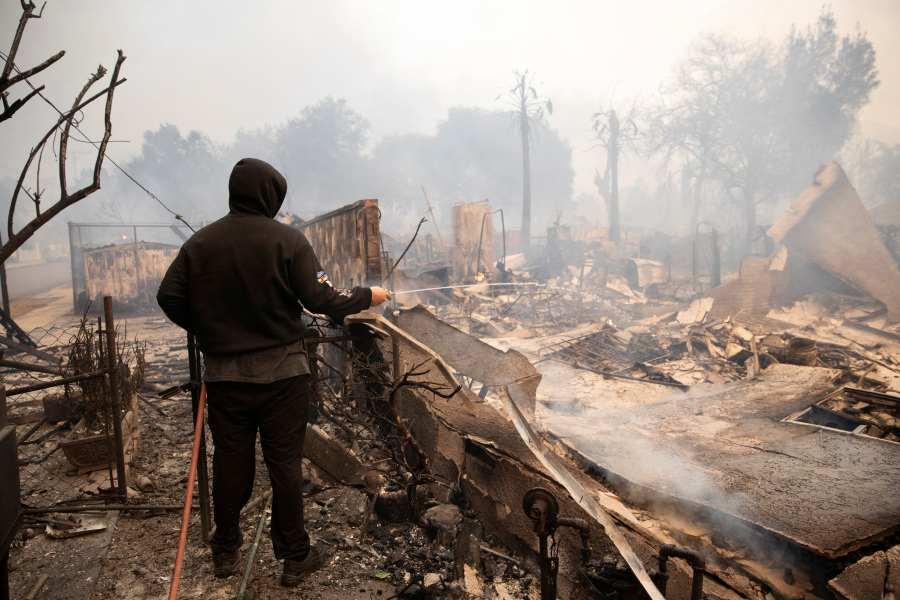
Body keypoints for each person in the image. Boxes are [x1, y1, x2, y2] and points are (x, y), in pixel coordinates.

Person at [157, 157, 392, 586]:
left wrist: (212, 328)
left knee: (231, 461)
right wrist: (367, 295)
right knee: (284, 463)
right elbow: (322, 298)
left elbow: (168, 297)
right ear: (269, 196)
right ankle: (294, 557)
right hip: (283, 375)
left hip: (225, 377)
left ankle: (225, 550)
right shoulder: (288, 241)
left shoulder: (200, 243)